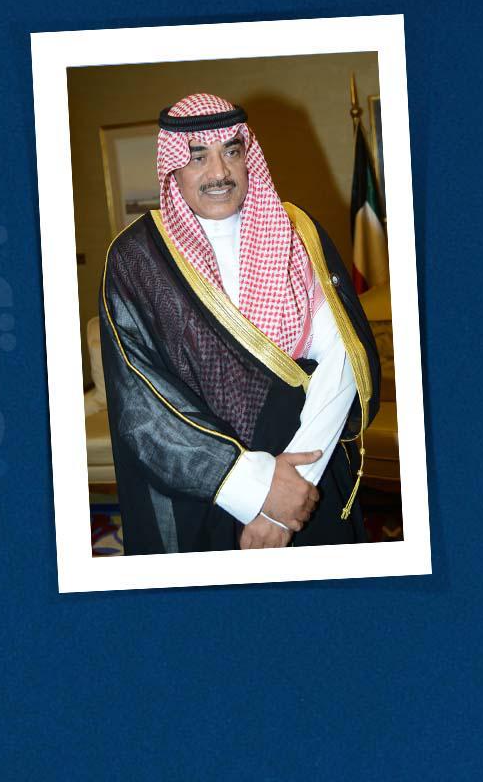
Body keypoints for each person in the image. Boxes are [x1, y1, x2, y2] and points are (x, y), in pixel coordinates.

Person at [100, 92, 380, 553]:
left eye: (231, 152)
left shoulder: (297, 231)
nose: (219, 173)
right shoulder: (136, 258)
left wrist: (293, 488)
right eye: (198, 157)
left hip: (309, 472)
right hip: (204, 493)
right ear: (172, 167)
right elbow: (140, 402)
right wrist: (255, 490)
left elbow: (343, 357)